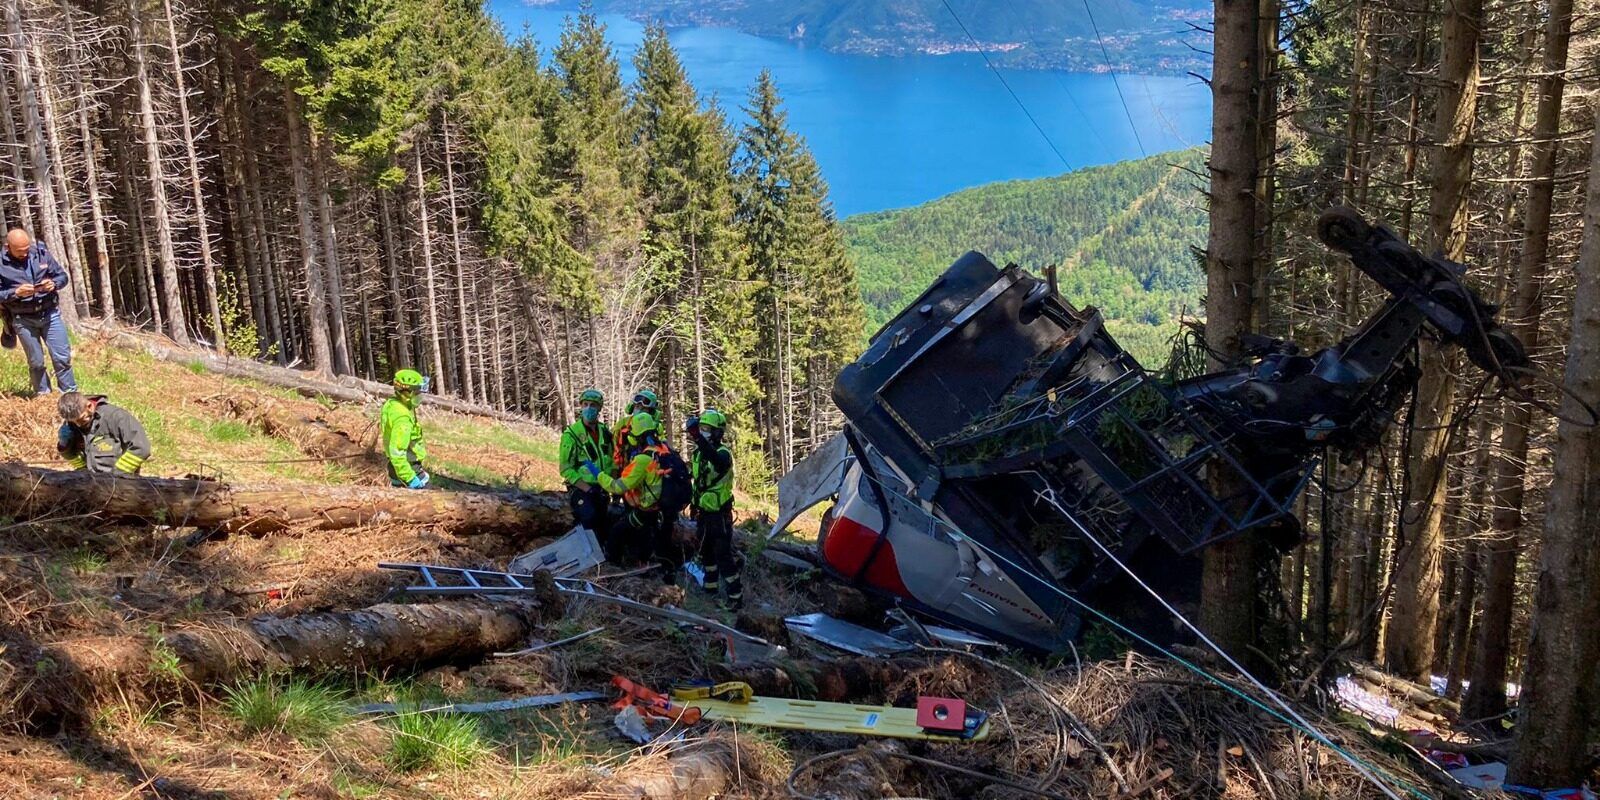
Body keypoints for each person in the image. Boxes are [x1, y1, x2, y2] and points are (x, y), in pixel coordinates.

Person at [589, 411, 691, 579]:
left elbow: (617, 487)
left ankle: (613, 568)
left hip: (648, 511)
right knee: (656, 540)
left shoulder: (643, 460)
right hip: (665, 510)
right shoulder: (665, 450)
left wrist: (598, 474)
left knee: (618, 531)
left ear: (636, 437)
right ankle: (660, 568)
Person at [0, 229, 76, 395]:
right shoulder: (1, 265)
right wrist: (15, 293)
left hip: (50, 313)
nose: (25, 254)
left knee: (62, 358)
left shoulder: (41, 254)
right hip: (22, 318)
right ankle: (43, 396)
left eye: (27, 249)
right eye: (20, 251)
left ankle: (70, 395)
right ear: (8, 247)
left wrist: (54, 284)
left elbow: (62, 276)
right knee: (36, 362)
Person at [688, 409, 740, 609]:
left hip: (719, 515)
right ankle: (710, 588)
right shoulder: (697, 453)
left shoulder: (723, 453)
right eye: (701, 428)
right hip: (704, 512)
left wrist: (698, 437)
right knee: (705, 552)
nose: (703, 432)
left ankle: (735, 597)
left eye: (707, 429)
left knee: (723, 555)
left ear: (718, 432)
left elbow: (717, 463)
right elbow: (698, 482)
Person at [559, 388, 615, 546]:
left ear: (599, 408)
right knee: (588, 519)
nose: (589, 408)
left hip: (603, 487)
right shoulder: (572, 434)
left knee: (603, 526)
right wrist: (588, 489)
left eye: (593, 405)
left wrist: (614, 485)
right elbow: (565, 468)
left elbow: (612, 460)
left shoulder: (605, 432)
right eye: (585, 404)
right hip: (581, 488)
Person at [57, 392, 150, 475]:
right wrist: (65, 447)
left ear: (89, 406)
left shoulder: (116, 417)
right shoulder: (71, 423)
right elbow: (77, 459)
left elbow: (141, 448)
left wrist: (117, 476)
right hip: (91, 482)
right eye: (74, 422)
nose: (78, 425)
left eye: (81, 419)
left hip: (120, 482)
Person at [381, 369, 431, 488]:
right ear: (407, 393)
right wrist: (410, 478)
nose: (420, 396)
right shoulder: (402, 418)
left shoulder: (393, 404)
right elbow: (397, 452)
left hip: (397, 467)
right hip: (408, 468)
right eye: (417, 393)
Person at [611, 388, 661, 469]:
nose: (639, 411)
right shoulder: (623, 423)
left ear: (651, 412)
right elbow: (612, 442)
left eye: (644, 409)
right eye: (637, 407)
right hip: (625, 466)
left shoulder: (656, 427)